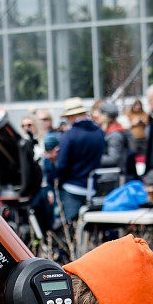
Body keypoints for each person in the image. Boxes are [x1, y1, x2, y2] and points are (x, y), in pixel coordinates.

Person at [55, 96, 106, 224]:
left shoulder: (70, 135)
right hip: (92, 188)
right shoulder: (99, 133)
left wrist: (58, 182)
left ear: (71, 117)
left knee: (71, 227)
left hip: (72, 187)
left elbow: (62, 165)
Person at [96, 101, 133, 178]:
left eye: (100, 113)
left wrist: (94, 158)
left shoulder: (114, 135)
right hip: (111, 175)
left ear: (106, 116)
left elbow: (113, 158)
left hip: (113, 177)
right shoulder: (110, 132)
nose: (98, 116)